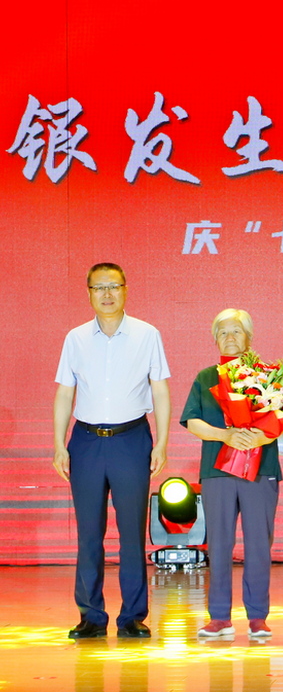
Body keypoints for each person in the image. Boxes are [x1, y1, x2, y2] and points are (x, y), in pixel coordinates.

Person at [53, 263, 171, 639]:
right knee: (89, 532)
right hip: (86, 442)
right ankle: (91, 616)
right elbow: (65, 393)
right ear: (88, 293)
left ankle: (132, 616)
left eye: (114, 286)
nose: (107, 294)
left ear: (125, 290)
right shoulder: (75, 338)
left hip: (131, 440)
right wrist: (58, 445)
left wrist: (162, 442)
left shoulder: (147, 334)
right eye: (99, 287)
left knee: (131, 532)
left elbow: (160, 390)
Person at [181, 309, 280, 639]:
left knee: (258, 545)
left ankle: (258, 617)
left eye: (236, 331)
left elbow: (282, 418)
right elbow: (193, 422)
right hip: (217, 470)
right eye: (222, 332)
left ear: (249, 337)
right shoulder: (205, 377)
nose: (230, 337)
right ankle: (220, 617)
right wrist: (225, 436)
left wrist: (260, 437)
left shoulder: (267, 376)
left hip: (261, 470)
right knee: (220, 544)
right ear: (215, 339)